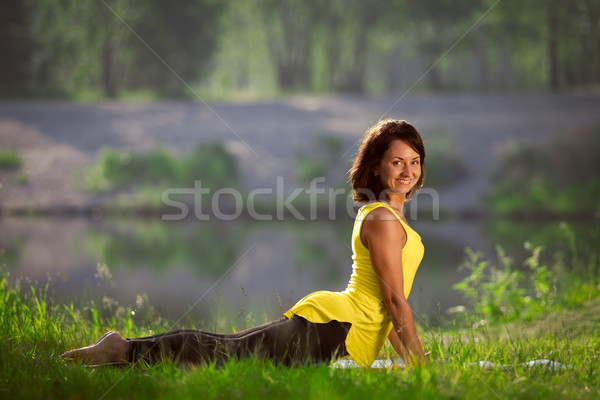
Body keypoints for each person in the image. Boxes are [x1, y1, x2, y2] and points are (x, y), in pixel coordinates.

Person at [61, 119, 427, 367]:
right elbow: (394, 301)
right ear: (377, 167)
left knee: (229, 349)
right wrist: (421, 367)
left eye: (414, 161)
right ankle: (122, 349)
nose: (408, 170)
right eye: (397, 161)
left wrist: (409, 361)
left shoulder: (389, 216)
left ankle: (125, 353)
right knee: (228, 352)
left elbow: (387, 306)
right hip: (336, 328)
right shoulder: (381, 217)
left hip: (340, 326)